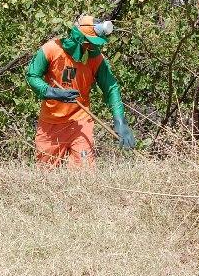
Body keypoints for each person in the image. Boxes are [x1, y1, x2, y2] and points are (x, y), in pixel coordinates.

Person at [26, 15, 135, 168]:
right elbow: (32, 76)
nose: (92, 47)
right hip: (51, 123)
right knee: (45, 173)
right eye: (89, 43)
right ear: (78, 38)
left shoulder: (96, 58)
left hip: (80, 122)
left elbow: (111, 88)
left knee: (85, 173)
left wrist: (120, 121)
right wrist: (52, 92)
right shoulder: (51, 49)